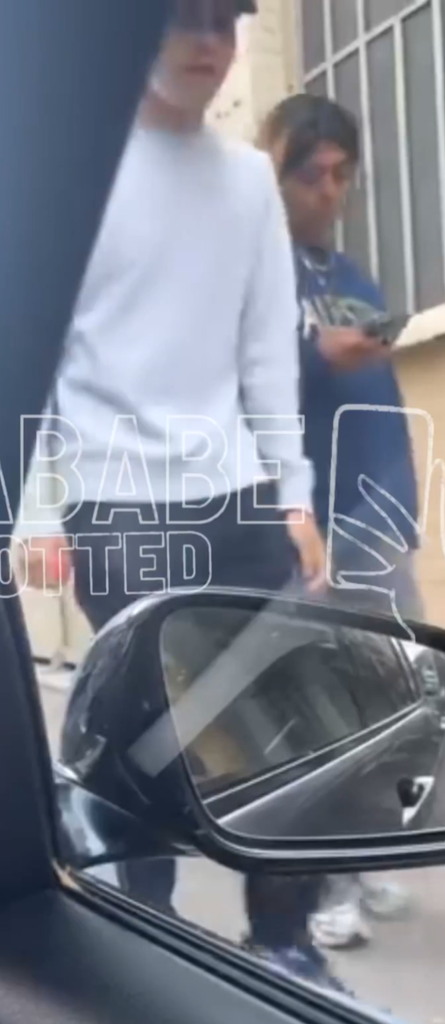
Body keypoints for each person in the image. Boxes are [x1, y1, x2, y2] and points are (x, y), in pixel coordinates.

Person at [21, 0, 332, 991]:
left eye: (225, 21)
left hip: (237, 494)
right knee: (151, 749)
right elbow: (34, 349)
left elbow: (265, 350)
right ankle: (137, 941)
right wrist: (36, 510)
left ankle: (285, 942)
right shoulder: (70, 175)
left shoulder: (245, 182)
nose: (208, 42)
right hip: (117, 506)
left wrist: (294, 496)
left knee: (294, 732)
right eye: (182, 19)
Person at [259, 93, 419, 949]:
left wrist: (403, 510)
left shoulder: (351, 277)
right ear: (277, 175)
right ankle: (325, 883)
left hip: (376, 510)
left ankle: (363, 858)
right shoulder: (259, 274)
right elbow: (244, 384)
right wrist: (313, 354)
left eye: (341, 175)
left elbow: (381, 396)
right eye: (312, 175)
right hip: (311, 521)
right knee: (321, 707)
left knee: (392, 698)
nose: (330, 191)